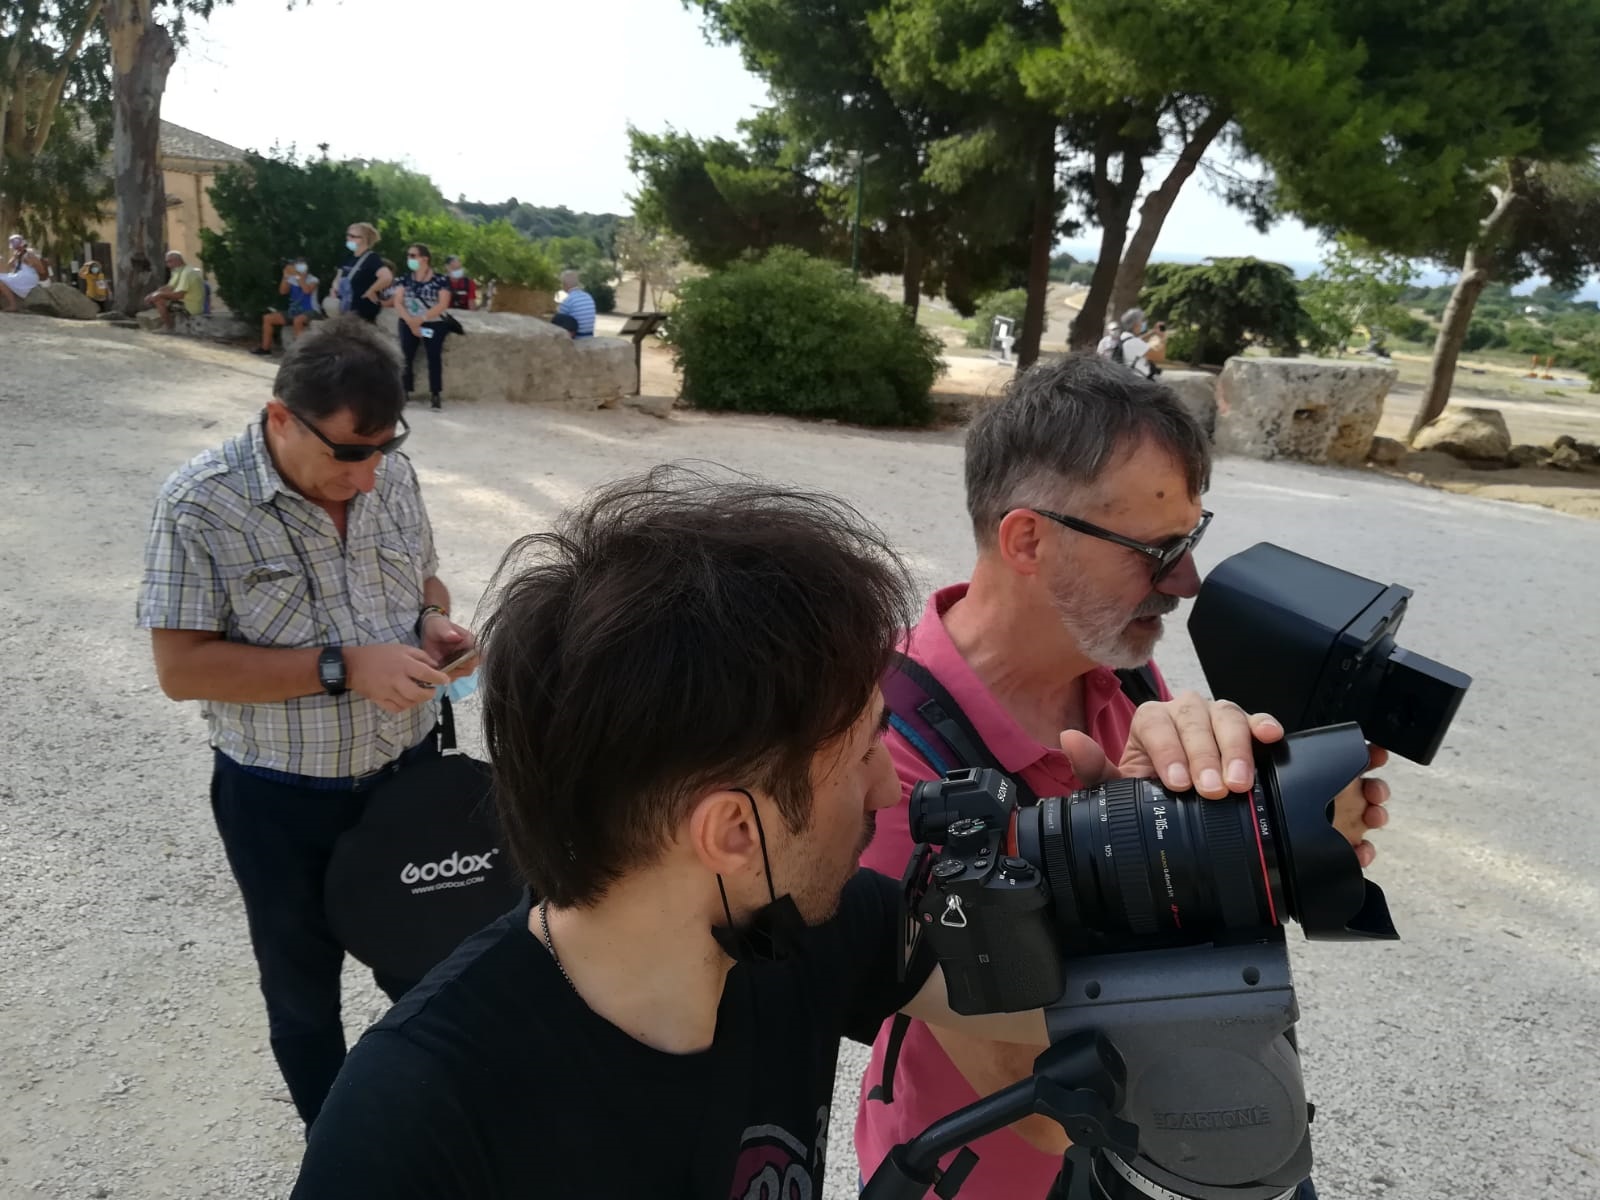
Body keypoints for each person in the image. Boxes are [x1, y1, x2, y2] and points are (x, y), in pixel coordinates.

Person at [288, 464, 1278, 1198]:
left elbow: (1049, 1010)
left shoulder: (800, 929)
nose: (891, 791)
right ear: (731, 830)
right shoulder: (413, 1126)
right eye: (862, 753)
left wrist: (1174, 833)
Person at [853, 354, 1391, 1200]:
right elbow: (1040, 1103)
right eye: (1157, 550)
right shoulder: (887, 759)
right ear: (1028, 540)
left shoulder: (1119, 672)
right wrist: (1223, 867)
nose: (1186, 582)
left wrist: (1278, 828)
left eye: (1192, 538)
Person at [135, 316, 479, 1130]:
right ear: (281, 418)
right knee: (302, 1001)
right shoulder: (200, 505)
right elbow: (182, 669)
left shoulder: (390, 475)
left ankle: (445, 1140)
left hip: (408, 782)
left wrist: (433, 622)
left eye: (384, 450)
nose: (368, 477)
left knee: (436, 976)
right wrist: (346, 666)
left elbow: (424, 577)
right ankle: (340, 1157)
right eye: (349, 454)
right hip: (280, 804)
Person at [395, 242, 455, 411]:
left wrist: (421, 319)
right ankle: (404, 391)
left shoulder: (440, 280)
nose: (409, 259)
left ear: (425, 258)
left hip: (433, 325)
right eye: (408, 255)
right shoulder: (404, 279)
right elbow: (398, 302)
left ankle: (435, 393)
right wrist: (410, 321)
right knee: (406, 355)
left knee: (433, 356)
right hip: (408, 322)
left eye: (413, 255)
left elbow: (443, 304)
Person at [254, 258, 320, 356]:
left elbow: (307, 291)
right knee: (268, 318)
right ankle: (265, 348)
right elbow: (283, 291)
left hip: (311, 311)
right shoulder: (292, 279)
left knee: (298, 320)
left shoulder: (313, 279)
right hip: (294, 311)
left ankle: (301, 352)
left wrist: (298, 276)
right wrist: (285, 276)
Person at [341, 222, 391, 322]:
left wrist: (371, 291)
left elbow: (387, 277)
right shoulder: (349, 257)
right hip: (347, 307)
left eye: (353, 236)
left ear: (364, 239)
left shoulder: (372, 258)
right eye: (348, 235)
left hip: (362, 311)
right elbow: (340, 275)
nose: (348, 238)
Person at [143, 251, 206, 330]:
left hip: (191, 306)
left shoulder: (187, 273)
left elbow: (179, 295)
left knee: (159, 300)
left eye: (169, 262)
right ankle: (169, 323)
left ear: (177, 260)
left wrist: (159, 294)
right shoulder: (178, 271)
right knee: (157, 297)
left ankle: (170, 328)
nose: (167, 265)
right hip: (185, 301)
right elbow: (169, 287)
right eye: (167, 262)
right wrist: (153, 294)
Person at [1098, 307, 1159, 378]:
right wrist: (1163, 338)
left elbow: (1136, 341)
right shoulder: (1134, 342)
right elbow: (1159, 357)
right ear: (1136, 324)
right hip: (1138, 380)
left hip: (1125, 378)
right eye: (1142, 321)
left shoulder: (1123, 337)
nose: (1143, 324)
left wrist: (1152, 332)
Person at [0, 233, 46, 311]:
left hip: (29, 277)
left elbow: (42, 271)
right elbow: (10, 265)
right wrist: (14, 257)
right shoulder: (17, 254)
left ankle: (13, 305)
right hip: (20, 275)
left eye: (17, 246)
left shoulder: (29, 253)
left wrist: (31, 264)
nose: (16, 248)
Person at [550, 268, 595, 337]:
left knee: (557, 318)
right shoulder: (588, 296)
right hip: (589, 334)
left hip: (577, 336)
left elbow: (558, 319)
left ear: (565, 285)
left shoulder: (568, 300)